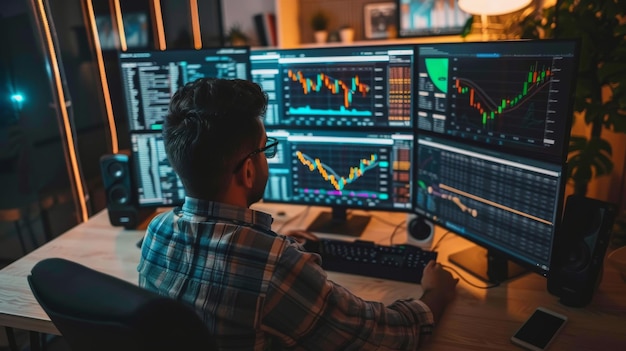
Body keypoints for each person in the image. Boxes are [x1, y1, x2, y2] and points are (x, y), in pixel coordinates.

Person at [137, 77, 458, 350]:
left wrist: (277, 248)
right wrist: (436, 291)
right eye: (266, 149)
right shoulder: (275, 267)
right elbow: (389, 337)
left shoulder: (157, 231)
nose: (268, 158)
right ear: (248, 171)